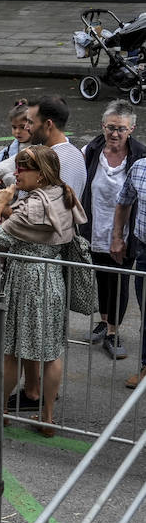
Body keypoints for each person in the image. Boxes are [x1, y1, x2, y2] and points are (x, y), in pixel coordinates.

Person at [0, 145, 85, 435]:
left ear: (42, 173)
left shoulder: (32, 207)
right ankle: (46, 419)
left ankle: (0, 411)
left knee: (11, 352)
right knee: (51, 353)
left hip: (27, 281)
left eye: (24, 168)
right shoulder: (63, 193)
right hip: (53, 279)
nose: (16, 172)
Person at [83, 101, 144, 361]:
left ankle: (112, 332)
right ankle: (104, 320)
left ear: (131, 128)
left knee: (119, 280)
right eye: (110, 128)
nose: (115, 134)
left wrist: (119, 238)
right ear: (102, 126)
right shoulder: (91, 150)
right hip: (95, 225)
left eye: (121, 129)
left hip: (124, 231)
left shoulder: (140, 156)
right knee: (100, 275)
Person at [25, 95, 86, 202]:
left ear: (48, 124)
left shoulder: (49, 162)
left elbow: (37, 212)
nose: (26, 127)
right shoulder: (78, 155)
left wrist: (3, 206)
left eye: (30, 122)